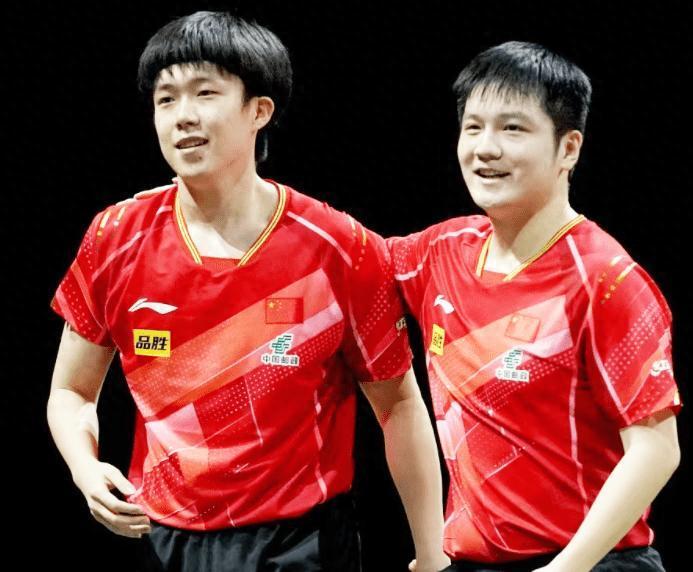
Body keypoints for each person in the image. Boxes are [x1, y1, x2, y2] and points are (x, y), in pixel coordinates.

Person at [47, 11, 450, 572]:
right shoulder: (114, 238)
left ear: (260, 110)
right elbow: (71, 390)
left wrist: (430, 553)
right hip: (164, 539)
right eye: (166, 99)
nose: (183, 116)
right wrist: (85, 468)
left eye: (205, 93)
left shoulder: (338, 246)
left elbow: (399, 403)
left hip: (302, 543)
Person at [390, 41, 681, 572]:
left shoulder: (606, 280)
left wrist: (565, 569)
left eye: (512, 129)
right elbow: (338, 254)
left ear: (568, 148)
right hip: (472, 560)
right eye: (473, 127)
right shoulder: (439, 252)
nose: (485, 148)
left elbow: (656, 449)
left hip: (590, 563)